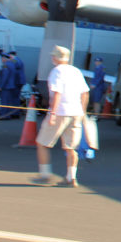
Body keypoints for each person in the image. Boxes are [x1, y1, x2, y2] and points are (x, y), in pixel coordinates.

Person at [32, 45, 90, 188]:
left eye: (53, 55)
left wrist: (52, 113)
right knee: (71, 148)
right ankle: (71, 177)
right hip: (76, 112)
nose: (52, 58)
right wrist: (82, 111)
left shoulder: (56, 71)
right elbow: (85, 93)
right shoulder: (76, 71)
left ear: (57, 58)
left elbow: (57, 93)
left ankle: (45, 174)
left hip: (61, 112)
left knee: (42, 143)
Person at [0, 53, 21, 119]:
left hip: (6, 86)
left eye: (2, 58)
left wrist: (1, 86)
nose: (1, 60)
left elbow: (5, 76)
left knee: (4, 101)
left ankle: (4, 115)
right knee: (9, 101)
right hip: (11, 85)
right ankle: (8, 115)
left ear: (4, 58)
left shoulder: (5, 65)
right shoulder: (12, 64)